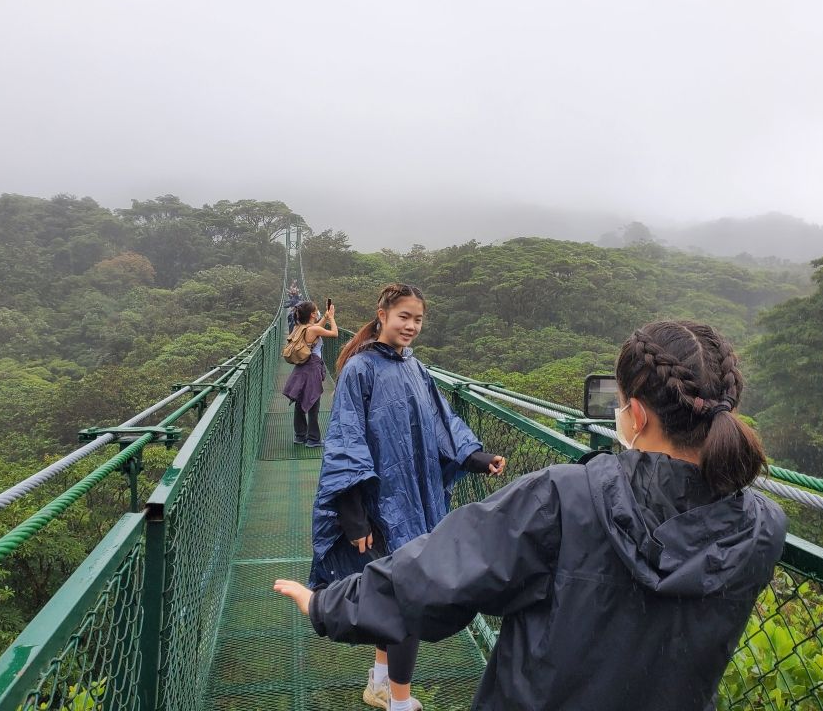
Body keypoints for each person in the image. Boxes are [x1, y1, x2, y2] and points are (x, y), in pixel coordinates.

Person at [275, 320, 788, 711]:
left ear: (636, 413)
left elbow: (438, 576)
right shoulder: (763, 527)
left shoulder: (569, 497)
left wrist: (328, 603)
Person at [300, 283, 506, 711]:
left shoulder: (415, 367)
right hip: (381, 506)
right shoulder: (360, 369)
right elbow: (345, 443)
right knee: (409, 600)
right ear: (382, 314)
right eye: (404, 317)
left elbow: (441, 424)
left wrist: (476, 457)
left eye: (418, 319)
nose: (411, 326)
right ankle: (400, 701)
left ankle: (379, 682)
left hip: (416, 499)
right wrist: (354, 518)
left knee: (394, 592)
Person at [282, 300, 337, 448]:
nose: (318, 313)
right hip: (312, 368)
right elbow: (335, 333)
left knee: (301, 400)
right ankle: (313, 439)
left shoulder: (301, 327)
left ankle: (300, 435)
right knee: (313, 401)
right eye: (317, 311)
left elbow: (315, 328)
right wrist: (331, 317)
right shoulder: (313, 330)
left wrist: (324, 317)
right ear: (313, 314)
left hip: (301, 368)